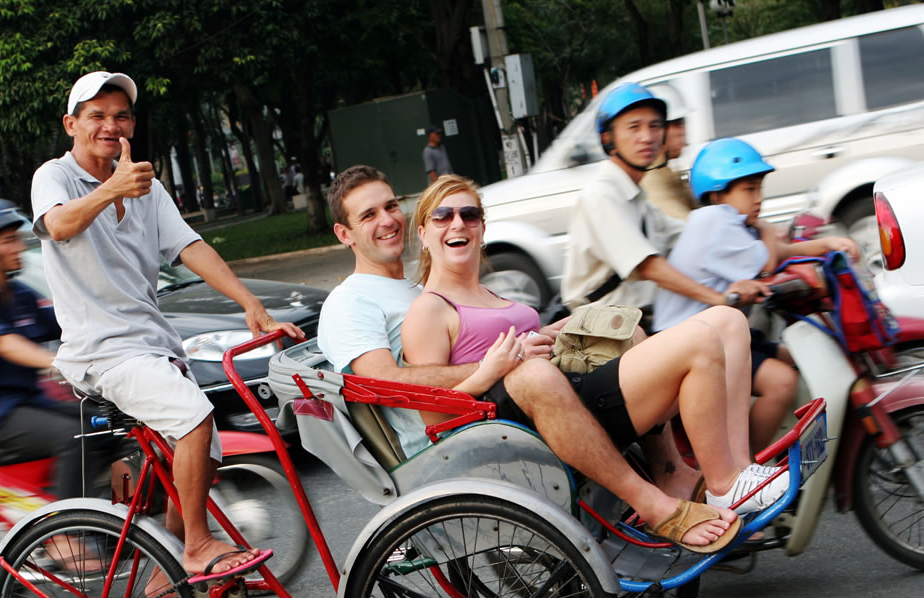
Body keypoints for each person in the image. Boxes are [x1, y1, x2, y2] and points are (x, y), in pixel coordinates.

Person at [319, 165, 749, 554]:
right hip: (466, 436)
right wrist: (498, 363)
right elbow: (384, 382)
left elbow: (479, 337)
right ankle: (684, 492)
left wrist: (541, 336)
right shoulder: (354, 302)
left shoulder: (419, 287)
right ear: (345, 234)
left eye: (390, 206)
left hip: (519, 393)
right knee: (547, 372)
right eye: (368, 215)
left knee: (640, 329)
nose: (387, 220)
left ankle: (677, 468)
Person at [400, 174, 790, 531]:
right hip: (534, 424)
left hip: (566, 387)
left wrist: (550, 333)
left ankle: (739, 469)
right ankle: (722, 483)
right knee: (701, 341)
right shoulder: (429, 309)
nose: (458, 224)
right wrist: (490, 371)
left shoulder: (491, 295)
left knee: (727, 321)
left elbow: (525, 348)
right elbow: (436, 419)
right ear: (423, 232)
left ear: (482, 229)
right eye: (442, 216)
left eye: (469, 215)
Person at [30, 70, 301, 580]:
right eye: (97, 116)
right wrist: (112, 188)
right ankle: (198, 544)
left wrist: (250, 302)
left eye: (122, 116)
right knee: (194, 418)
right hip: (103, 353)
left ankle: (168, 569)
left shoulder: (144, 187)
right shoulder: (56, 175)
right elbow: (59, 224)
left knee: (208, 447)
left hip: (153, 345)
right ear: (72, 124)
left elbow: (189, 246)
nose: (111, 125)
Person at [654, 138, 860, 450]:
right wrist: (765, 229)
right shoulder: (713, 221)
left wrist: (829, 245)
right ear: (718, 194)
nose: (758, 199)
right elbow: (767, 260)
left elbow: (781, 251)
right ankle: (745, 467)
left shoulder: (729, 223)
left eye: (759, 188)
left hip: (720, 333)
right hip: (689, 343)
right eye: (749, 190)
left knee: (801, 358)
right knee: (781, 382)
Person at [0, 199, 114, 500]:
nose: (19, 248)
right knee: (75, 437)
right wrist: (55, 362)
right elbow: (5, 344)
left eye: (17, 239)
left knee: (106, 421)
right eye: (8, 241)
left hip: (32, 402)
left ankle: (109, 505)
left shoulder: (21, 296)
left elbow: (66, 323)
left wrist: (110, 326)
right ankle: (66, 531)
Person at [562, 82, 767, 314]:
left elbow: (692, 234)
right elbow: (649, 267)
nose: (647, 137)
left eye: (655, 126)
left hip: (639, 317)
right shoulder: (602, 196)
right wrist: (719, 299)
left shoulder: (638, 197)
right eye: (634, 127)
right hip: (604, 329)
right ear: (609, 138)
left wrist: (761, 230)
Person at [639, 84, 695, 221]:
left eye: (682, 123)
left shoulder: (666, 173)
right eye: (675, 124)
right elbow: (688, 227)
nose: (682, 131)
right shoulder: (652, 182)